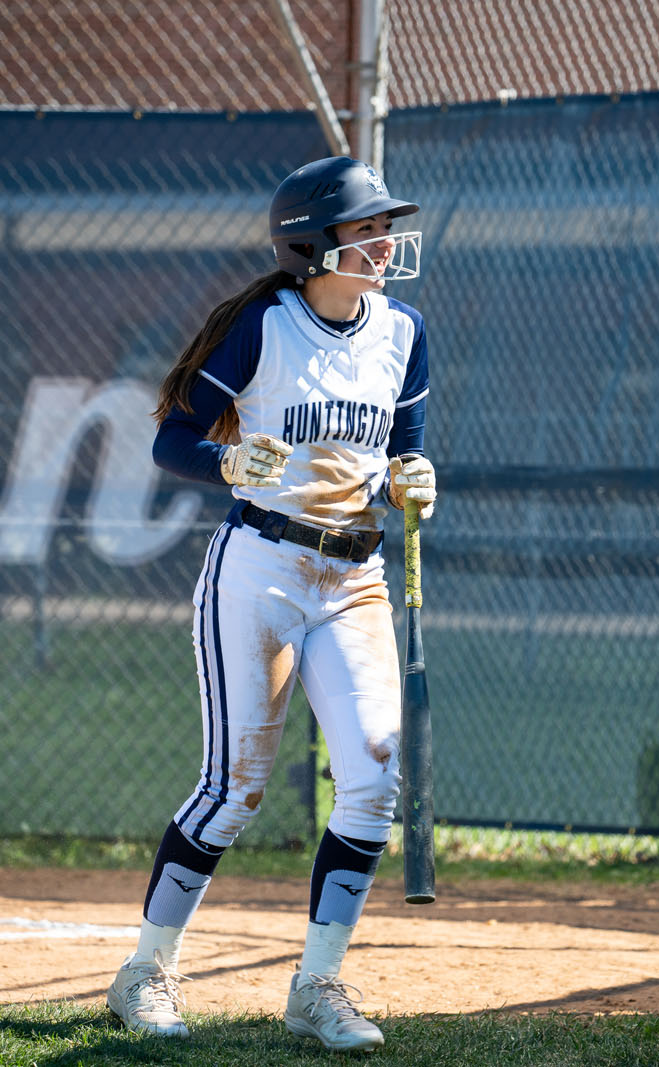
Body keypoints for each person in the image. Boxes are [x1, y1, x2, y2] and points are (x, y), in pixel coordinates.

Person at [105, 156, 437, 1053]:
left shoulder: (404, 330)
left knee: (374, 777)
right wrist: (225, 461)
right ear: (313, 242)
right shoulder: (265, 324)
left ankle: (317, 984)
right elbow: (173, 439)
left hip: (355, 576)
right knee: (235, 789)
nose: (384, 242)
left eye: (385, 227)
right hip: (262, 567)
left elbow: (402, 452)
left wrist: (412, 480)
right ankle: (145, 971)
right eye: (366, 228)